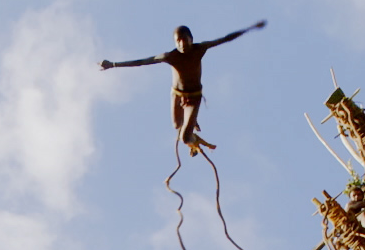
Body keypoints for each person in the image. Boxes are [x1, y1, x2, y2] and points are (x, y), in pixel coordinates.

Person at [99, 21, 266, 153]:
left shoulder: (199, 49)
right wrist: (113, 64)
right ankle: (193, 134)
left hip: (194, 97)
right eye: (177, 41)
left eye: (184, 39)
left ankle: (194, 141)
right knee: (176, 125)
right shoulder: (171, 56)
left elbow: (225, 38)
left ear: (191, 39)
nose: (181, 44)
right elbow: (142, 62)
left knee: (184, 138)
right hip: (177, 95)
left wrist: (249, 28)